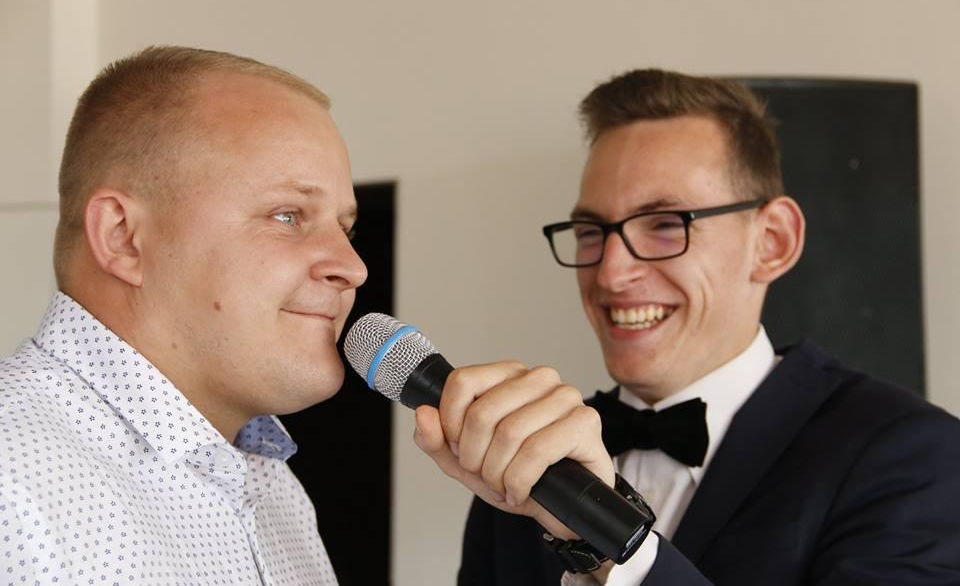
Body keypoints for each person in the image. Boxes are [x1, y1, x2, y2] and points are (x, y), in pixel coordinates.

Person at [0, 46, 612, 585]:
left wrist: (592, 546)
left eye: (347, 228)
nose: (354, 267)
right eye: (288, 215)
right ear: (123, 237)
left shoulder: (273, 490)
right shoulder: (12, 479)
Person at [450, 69, 960, 585]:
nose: (610, 274)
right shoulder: (525, 450)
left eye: (665, 224)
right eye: (590, 231)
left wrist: (599, 536)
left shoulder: (912, 454)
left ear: (773, 242)